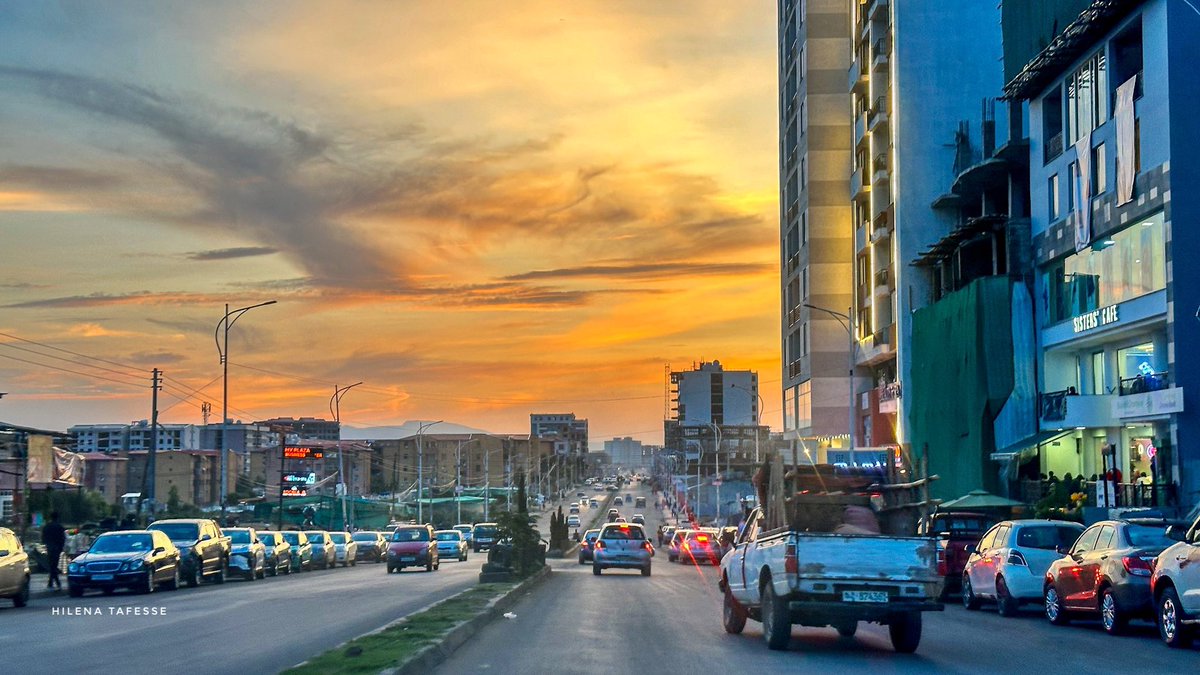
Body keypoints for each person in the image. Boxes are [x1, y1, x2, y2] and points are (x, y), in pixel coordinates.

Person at [42, 511, 66, 591]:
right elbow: (63, 538)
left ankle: (51, 583)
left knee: (52, 565)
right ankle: (55, 583)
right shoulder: (59, 527)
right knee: (54, 565)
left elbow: (43, 538)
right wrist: (61, 547)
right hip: (57, 548)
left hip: (49, 547)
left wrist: (47, 544)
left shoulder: (47, 526)